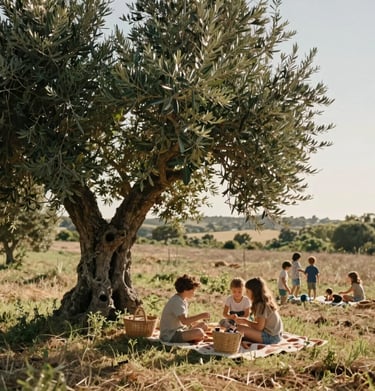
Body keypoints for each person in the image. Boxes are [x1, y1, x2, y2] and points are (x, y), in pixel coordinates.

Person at [159, 274, 210, 343]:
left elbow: (183, 322)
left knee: (203, 325)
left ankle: (194, 338)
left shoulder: (183, 300)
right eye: (193, 290)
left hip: (181, 330)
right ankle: (195, 338)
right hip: (170, 335)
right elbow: (184, 321)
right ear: (185, 290)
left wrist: (194, 323)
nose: (194, 293)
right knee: (199, 332)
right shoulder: (176, 301)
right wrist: (201, 315)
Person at [235, 277, 283, 344]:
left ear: (254, 292)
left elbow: (259, 327)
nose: (246, 293)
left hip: (271, 338)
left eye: (247, 291)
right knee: (241, 329)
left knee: (239, 329)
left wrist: (245, 321)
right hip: (277, 335)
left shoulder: (260, 305)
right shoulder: (264, 301)